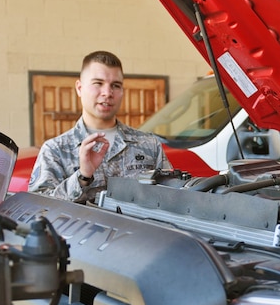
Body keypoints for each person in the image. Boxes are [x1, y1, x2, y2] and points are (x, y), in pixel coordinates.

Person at [28, 50, 173, 202]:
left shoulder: (149, 145)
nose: (107, 92)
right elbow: (39, 208)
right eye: (98, 83)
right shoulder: (55, 151)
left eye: (115, 85)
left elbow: (170, 198)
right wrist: (82, 176)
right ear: (79, 88)